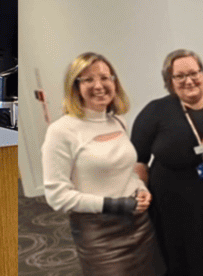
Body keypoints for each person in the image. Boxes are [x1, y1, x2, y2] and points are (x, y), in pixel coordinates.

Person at [41, 52, 164, 276]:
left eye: (105, 77)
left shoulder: (116, 121)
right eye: (88, 79)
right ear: (75, 86)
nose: (99, 85)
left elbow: (125, 172)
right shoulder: (61, 131)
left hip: (139, 224)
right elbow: (57, 196)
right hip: (100, 234)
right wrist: (115, 205)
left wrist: (140, 188)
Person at [131, 49, 203, 276]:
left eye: (194, 73)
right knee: (185, 264)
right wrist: (140, 189)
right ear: (169, 81)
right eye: (179, 76)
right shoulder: (155, 111)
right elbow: (137, 161)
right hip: (174, 209)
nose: (188, 81)